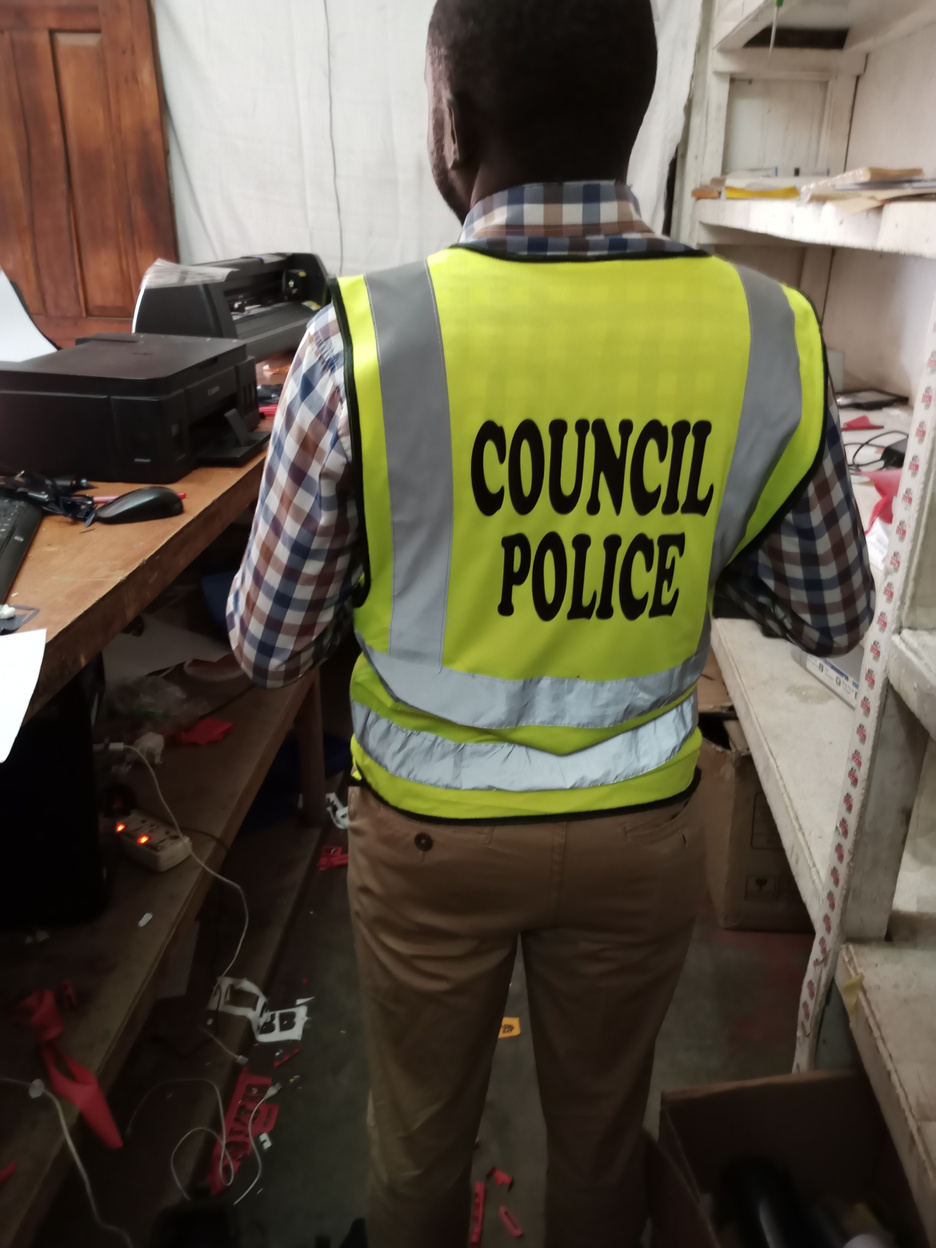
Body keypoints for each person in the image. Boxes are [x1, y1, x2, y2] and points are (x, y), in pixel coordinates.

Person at [227, 1, 875, 1244]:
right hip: (640, 830)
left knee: (418, 1146)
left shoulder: (361, 339)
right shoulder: (768, 330)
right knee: (599, 1144)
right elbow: (834, 612)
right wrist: (689, 548)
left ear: (451, 118)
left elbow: (266, 644)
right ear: (633, 113)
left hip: (432, 841)